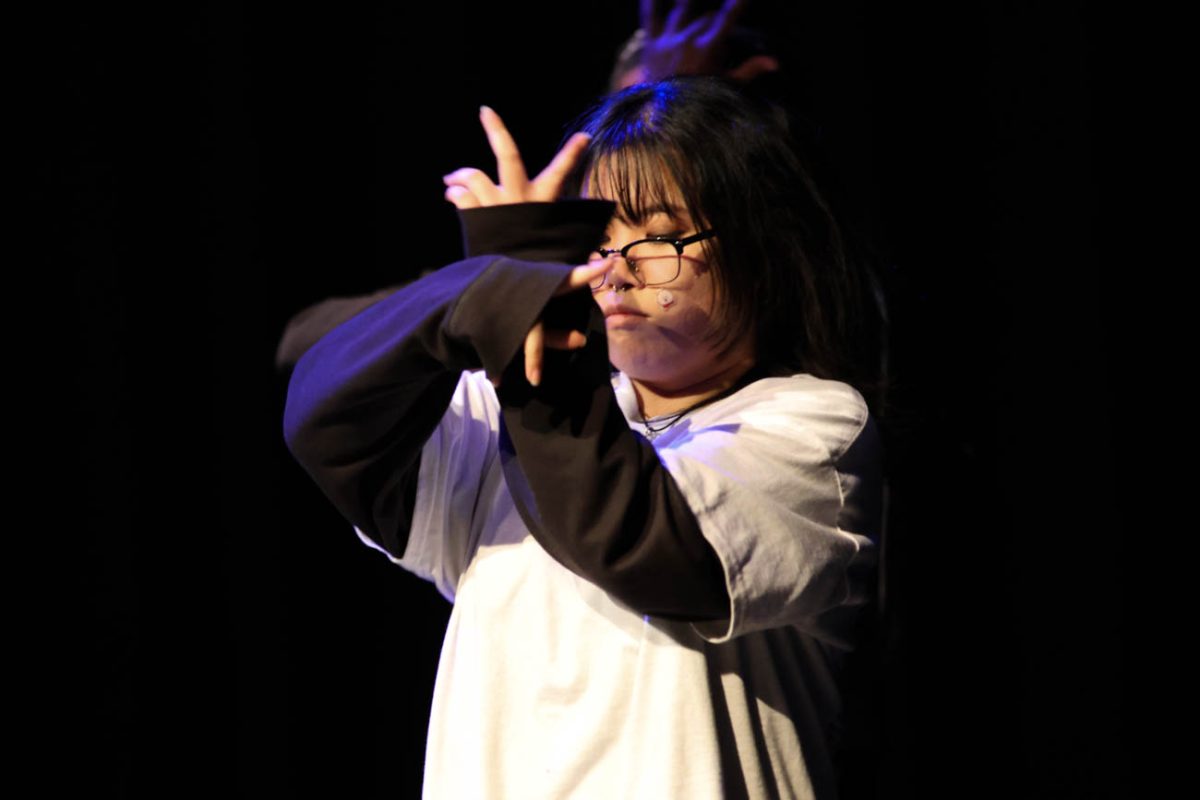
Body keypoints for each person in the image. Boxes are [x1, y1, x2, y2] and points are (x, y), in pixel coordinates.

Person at [284, 77, 883, 799]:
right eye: (595, 241)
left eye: (658, 236)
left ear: (761, 247)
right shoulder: (507, 407)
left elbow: (632, 536)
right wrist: (489, 288)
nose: (613, 272)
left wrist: (517, 304)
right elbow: (324, 407)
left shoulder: (811, 426)